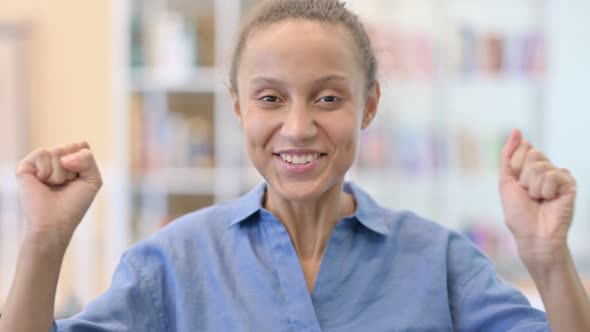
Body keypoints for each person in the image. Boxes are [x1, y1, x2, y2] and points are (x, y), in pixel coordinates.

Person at [1, 0, 589, 331]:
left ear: (370, 105)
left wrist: (548, 259)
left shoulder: (441, 261)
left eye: (329, 97)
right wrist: (44, 241)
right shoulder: (172, 264)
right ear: (237, 106)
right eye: (270, 98)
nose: (299, 126)